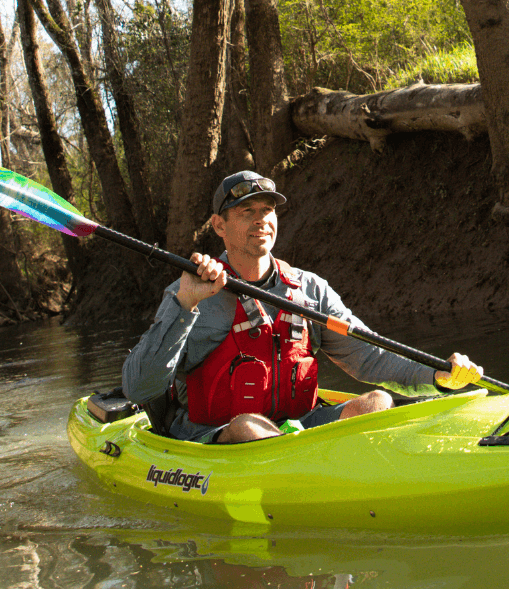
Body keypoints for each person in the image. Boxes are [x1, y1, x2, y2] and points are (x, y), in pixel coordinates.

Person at [122, 170, 483, 443]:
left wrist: (438, 376)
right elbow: (138, 388)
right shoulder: (190, 291)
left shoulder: (309, 289)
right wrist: (185, 304)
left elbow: (370, 357)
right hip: (215, 437)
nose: (261, 219)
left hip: (298, 428)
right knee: (249, 427)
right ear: (219, 225)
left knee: (375, 402)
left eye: (267, 210)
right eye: (247, 211)